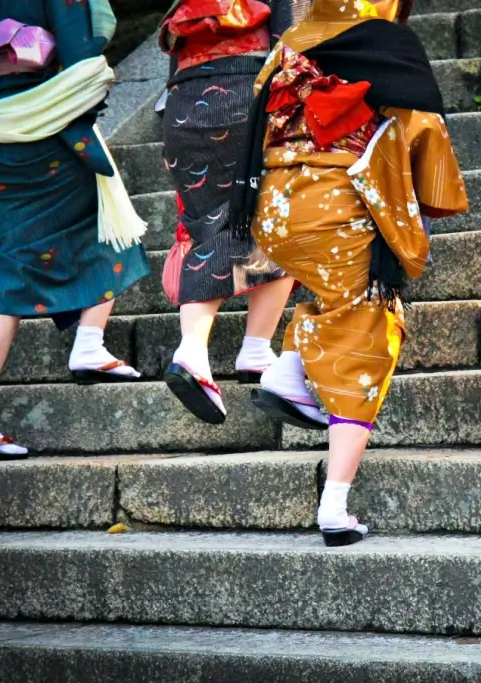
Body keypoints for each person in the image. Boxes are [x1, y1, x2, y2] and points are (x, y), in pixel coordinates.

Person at [232, 0, 468, 545]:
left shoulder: (286, 46)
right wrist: (431, 197)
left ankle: (288, 372)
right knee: (368, 337)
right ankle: (335, 505)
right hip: (339, 209)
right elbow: (421, 127)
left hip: (274, 210)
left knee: (332, 294)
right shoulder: (385, 40)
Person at [0, 0, 151, 461]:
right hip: (46, 134)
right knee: (104, 224)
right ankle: (89, 343)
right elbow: (87, 51)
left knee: (9, 267)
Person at [158, 0, 300, 424]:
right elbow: (291, 41)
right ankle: (224, 350)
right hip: (248, 94)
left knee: (206, 225)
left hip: (182, 104)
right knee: (279, 218)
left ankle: (224, 350)